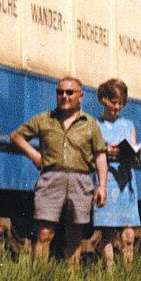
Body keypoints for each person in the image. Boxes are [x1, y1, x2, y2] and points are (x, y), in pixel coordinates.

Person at [9, 76, 108, 267]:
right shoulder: (45, 120)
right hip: (50, 180)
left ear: (80, 96)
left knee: (75, 236)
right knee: (44, 233)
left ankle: (72, 275)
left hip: (81, 181)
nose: (64, 96)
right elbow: (16, 136)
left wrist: (102, 186)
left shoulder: (90, 124)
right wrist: (34, 155)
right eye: (60, 92)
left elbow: (100, 156)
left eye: (69, 92)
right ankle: (40, 274)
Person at [93, 79, 140, 268]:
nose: (118, 107)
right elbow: (90, 152)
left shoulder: (128, 125)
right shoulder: (95, 125)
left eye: (121, 103)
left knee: (128, 234)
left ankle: (128, 272)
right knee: (108, 233)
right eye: (114, 102)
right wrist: (106, 150)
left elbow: (133, 150)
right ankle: (110, 272)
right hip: (106, 181)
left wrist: (135, 152)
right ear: (103, 100)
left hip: (125, 183)